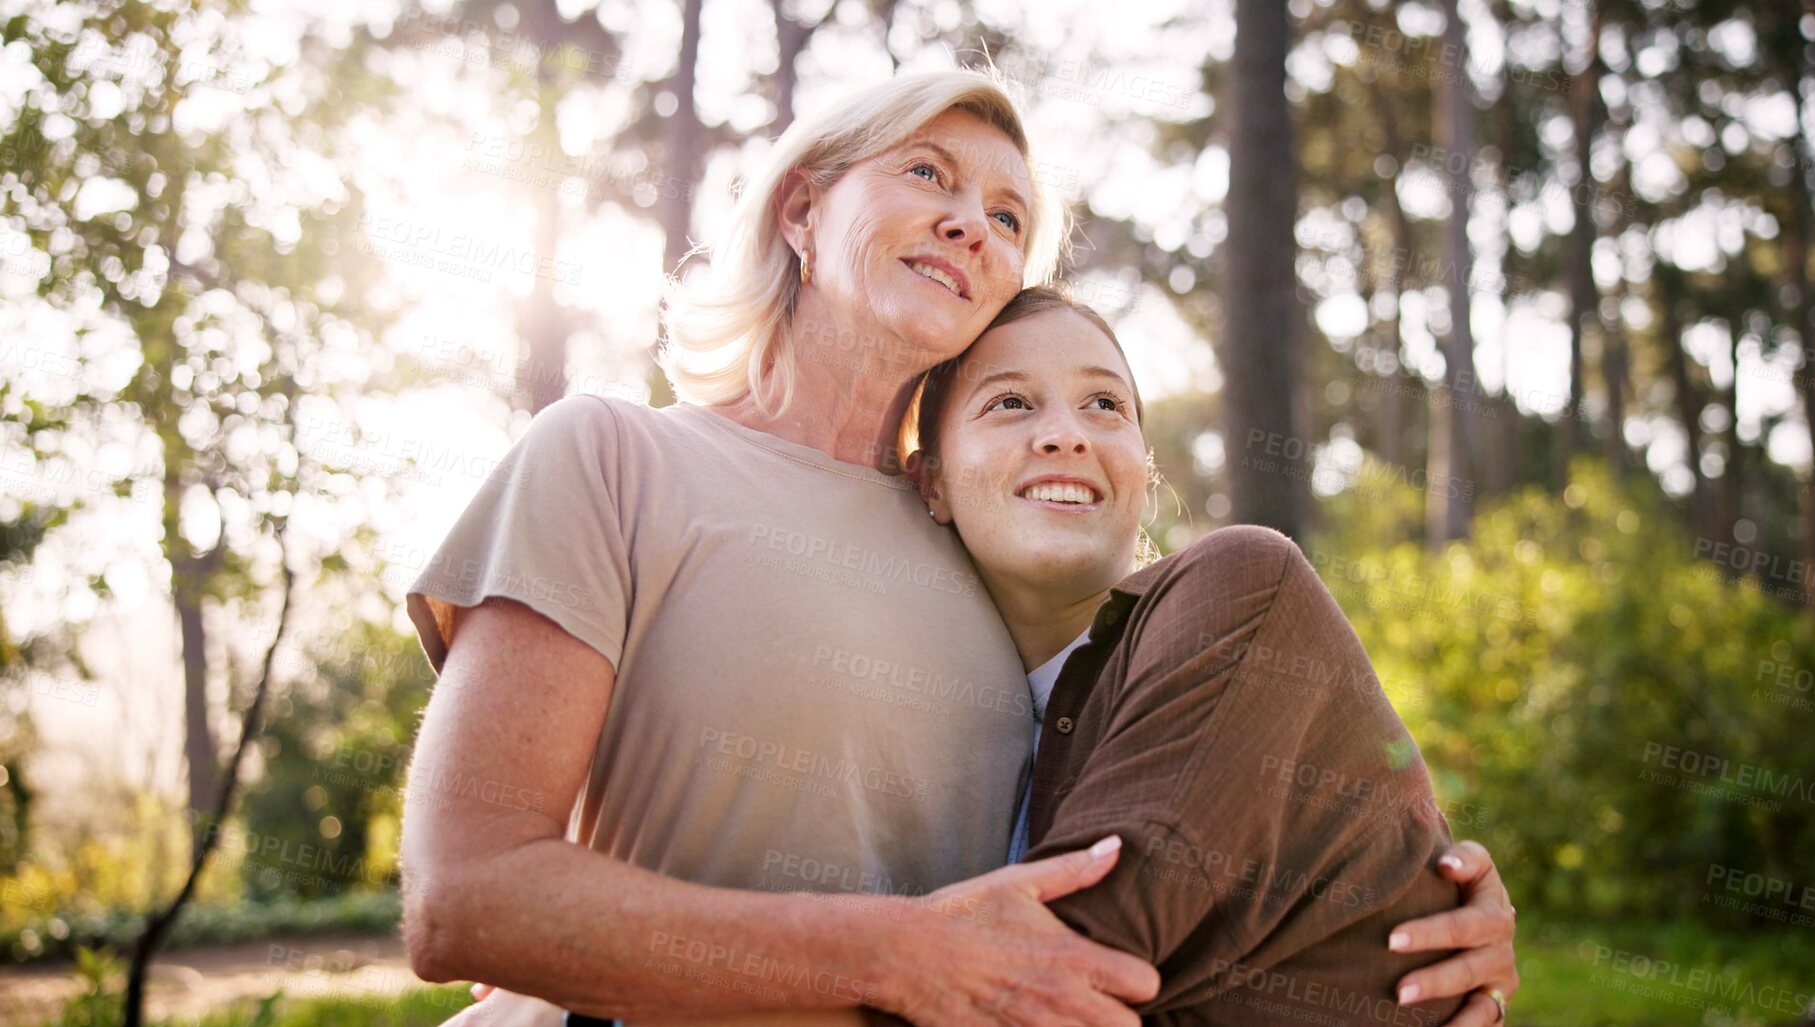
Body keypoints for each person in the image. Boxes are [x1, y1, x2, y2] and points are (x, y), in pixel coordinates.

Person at [400, 69, 1515, 1027]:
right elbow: (466, 895)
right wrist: (895, 955)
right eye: (928, 174)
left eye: (1009, 217)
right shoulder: (609, 458)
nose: (972, 222)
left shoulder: (989, 536)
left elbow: (1231, 775)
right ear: (801, 210)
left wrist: (1429, 895)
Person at [898, 286, 1517, 1025]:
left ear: (1142, 466)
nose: (1068, 435)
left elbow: (1053, 977)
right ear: (930, 479)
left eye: (1104, 405)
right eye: (1010, 404)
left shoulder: (1245, 585)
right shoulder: (955, 718)